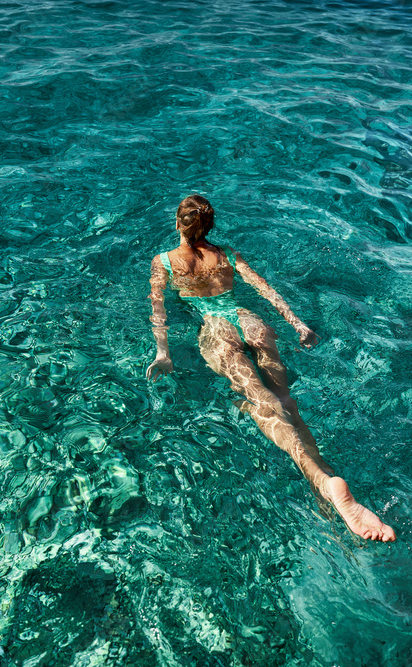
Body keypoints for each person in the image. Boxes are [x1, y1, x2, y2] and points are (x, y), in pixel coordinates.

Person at [147, 195, 396, 542]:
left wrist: (163, 353)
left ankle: (325, 484)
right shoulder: (227, 254)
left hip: (216, 330)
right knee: (286, 402)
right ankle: (323, 479)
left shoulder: (164, 262)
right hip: (251, 323)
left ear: (178, 223)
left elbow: (158, 312)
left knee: (263, 405)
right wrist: (297, 324)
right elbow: (265, 288)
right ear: (209, 226)